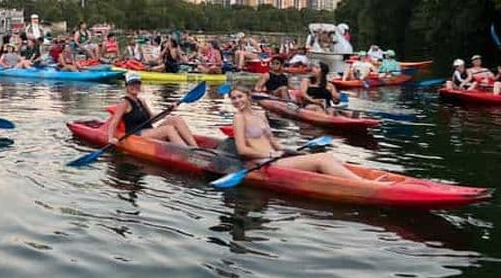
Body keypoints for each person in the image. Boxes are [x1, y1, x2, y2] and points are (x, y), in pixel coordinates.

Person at [226, 84, 370, 180]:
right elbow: (242, 150)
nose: (237, 101)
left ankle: (354, 180)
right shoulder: (239, 118)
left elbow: (274, 142)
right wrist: (270, 154)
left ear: (248, 96)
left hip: (276, 158)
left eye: (240, 96)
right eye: (233, 98)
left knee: (327, 156)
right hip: (263, 162)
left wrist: (289, 151)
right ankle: (364, 183)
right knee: (322, 159)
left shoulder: (260, 114)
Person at [106, 72, 198, 147]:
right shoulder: (124, 102)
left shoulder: (141, 101)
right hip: (136, 134)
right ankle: (188, 153)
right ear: (126, 86)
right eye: (132, 83)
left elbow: (152, 119)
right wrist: (111, 138)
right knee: (168, 129)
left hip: (149, 131)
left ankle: (195, 148)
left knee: (176, 119)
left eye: (137, 83)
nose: (135, 86)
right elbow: (114, 122)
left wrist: (169, 110)